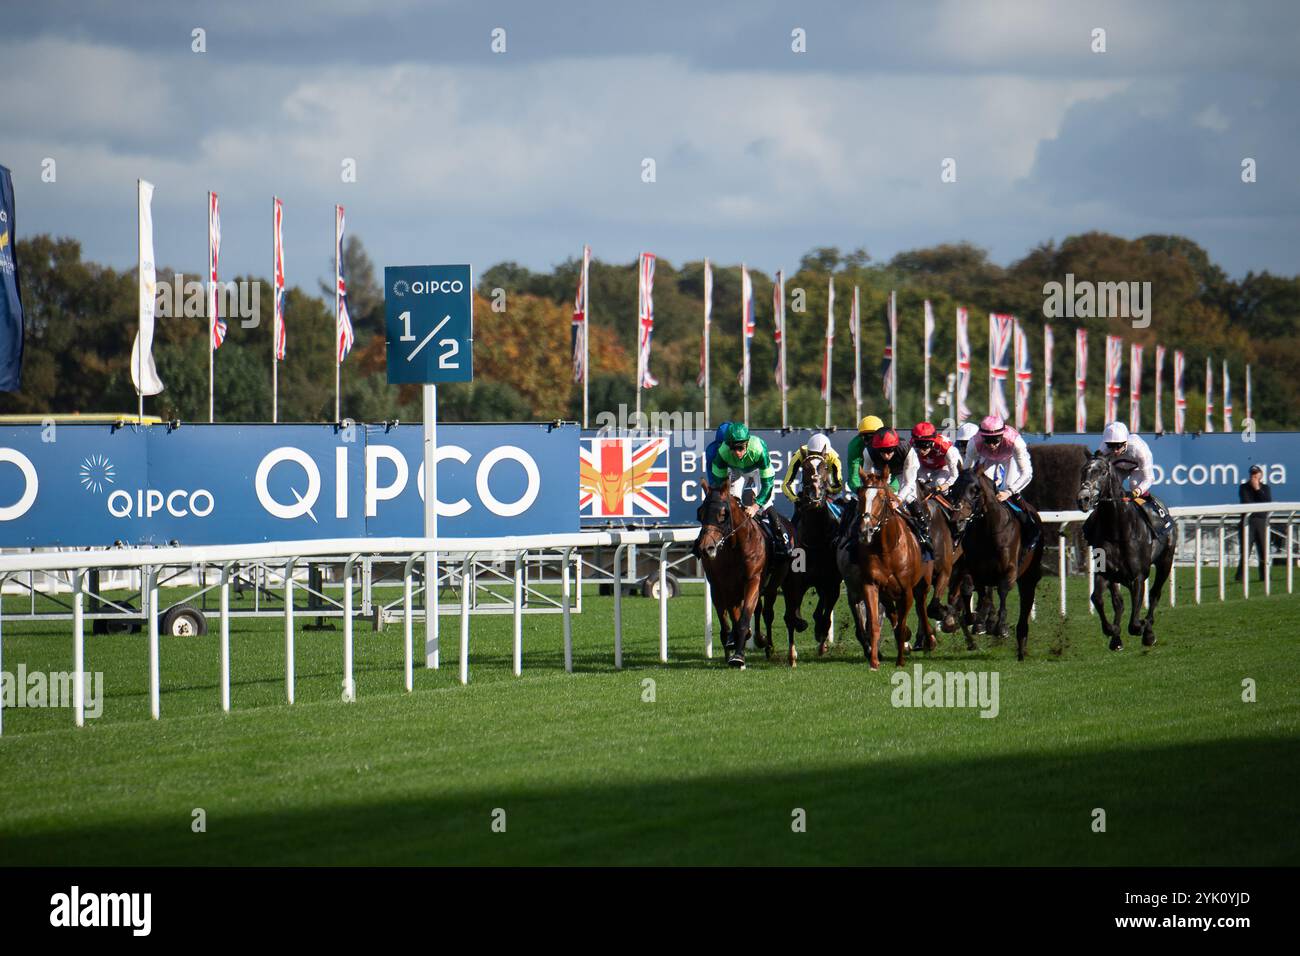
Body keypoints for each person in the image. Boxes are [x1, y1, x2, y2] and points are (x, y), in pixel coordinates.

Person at [708, 422, 790, 556]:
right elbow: (720, 483)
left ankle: (783, 542)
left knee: (766, 505)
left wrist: (755, 507)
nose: (738, 452)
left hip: (757, 471)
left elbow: (767, 485)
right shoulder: (722, 453)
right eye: (733, 448)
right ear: (728, 446)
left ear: (747, 442)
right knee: (731, 502)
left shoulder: (758, 449)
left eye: (741, 448)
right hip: (736, 470)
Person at [963, 414, 1038, 549]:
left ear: (1002, 436)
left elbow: (1027, 473)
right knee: (982, 489)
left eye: (995, 440)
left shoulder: (1015, 442)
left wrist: (1009, 492)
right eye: (987, 440)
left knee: (1009, 486)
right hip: (987, 460)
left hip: (1010, 458)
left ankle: (1030, 528)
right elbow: (966, 473)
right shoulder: (974, 443)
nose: (991, 445)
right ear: (981, 436)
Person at [1098, 421, 1172, 535]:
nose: (1114, 450)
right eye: (1110, 446)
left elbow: (1149, 478)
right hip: (1117, 467)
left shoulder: (1140, 451)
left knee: (1134, 484)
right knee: (1111, 485)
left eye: (1118, 446)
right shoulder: (1103, 449)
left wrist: (1137, 492)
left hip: (1136, 467)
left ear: (1126, 442)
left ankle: (1157, 511)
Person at [781, 432, 843, 518]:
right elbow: (786, 484)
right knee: (797, 515)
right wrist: (796, 500)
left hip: (827, 480)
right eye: (812, 454)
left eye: (820, 455)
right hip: (808, 480)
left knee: (841, 513)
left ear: (826, 454)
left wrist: (828, 491)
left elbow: (838, 486)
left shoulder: (833, 458)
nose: (816, 457)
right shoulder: (799, 455)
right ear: (808, 452)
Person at [1236, 464, 1271, 582]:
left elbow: (1267, 503)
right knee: (1245, 551)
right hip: (1248, 522)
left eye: (1256, 473)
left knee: (1264, 551)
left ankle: (1264, 576)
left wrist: (1257, 489)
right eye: (1252, 474)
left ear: (1260, 474)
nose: (1254, 476)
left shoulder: (1265, 488)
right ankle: (1240, 577)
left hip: (1261, 523)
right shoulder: (1244, 487)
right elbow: (1246, 503)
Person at [906, 421, 961, 494]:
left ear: (933, 442)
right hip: (926, 465)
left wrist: (945, 486)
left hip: (945, 465)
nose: (921, 450)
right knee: (919, 482)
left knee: (940, 483)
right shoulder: (911, 444)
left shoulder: (945, 448)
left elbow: (954, 476)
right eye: (918, 445)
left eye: (925, 445)